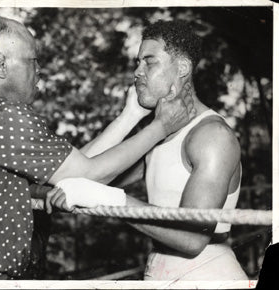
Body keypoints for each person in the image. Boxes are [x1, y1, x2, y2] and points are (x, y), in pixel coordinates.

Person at [0, 16, 194, 280]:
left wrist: (130, 115)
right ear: (1, 64)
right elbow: (88, 175)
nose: (39, 70)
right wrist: (161, 126)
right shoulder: (4, 117)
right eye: (32, 61)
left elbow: (74, 169)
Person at [49, 20, 248, 281]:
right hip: (161, 272)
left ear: (183, 68)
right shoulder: (159, 132)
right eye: (137, 62)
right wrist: (129, 115)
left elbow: (191, 238)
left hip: (207, 276)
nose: (137, 72)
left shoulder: (212, 136)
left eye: (149, 62)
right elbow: (81, 174)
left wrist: (111, 200)